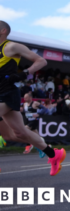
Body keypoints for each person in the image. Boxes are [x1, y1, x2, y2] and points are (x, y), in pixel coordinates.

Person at [0, 20, 65, 176]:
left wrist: (23, 74)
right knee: (16, 134)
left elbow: (41, 61)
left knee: (16, 133)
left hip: (7, 94)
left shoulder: (10, 46)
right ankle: (53, 154)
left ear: (3, 31)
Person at [21, 93, 48, 157]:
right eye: (24, 97)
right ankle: (46, 147)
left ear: (30, 97)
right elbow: (25, 112)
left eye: (26, 97)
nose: (24, 99)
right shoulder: (24, 104)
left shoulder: (35, 103)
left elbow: (44, 109)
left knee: (24, 130)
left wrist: (38, 114)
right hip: (28, 120)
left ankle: (29, 145)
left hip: (34, 121)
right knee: (38, 137)